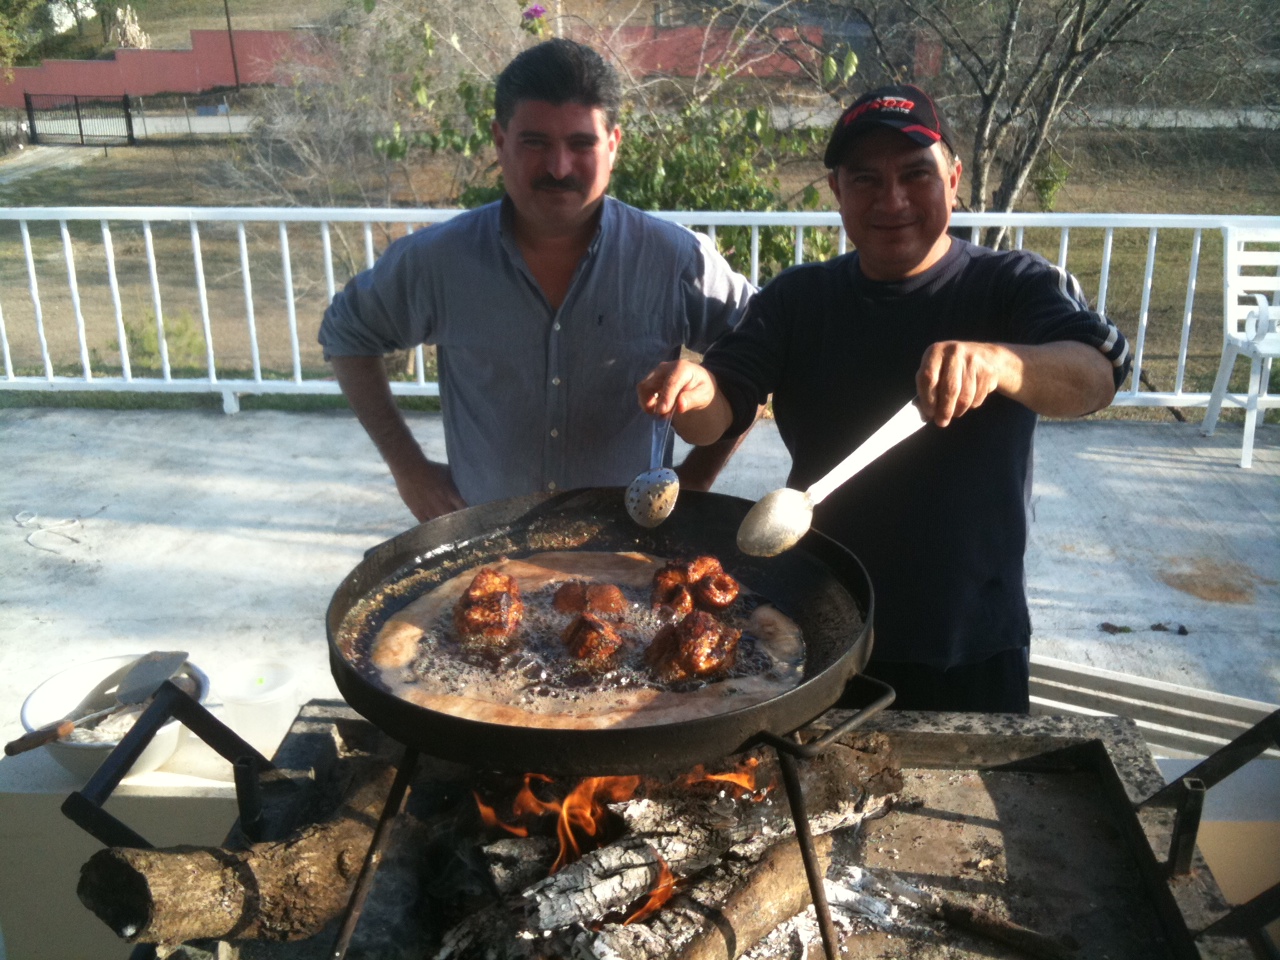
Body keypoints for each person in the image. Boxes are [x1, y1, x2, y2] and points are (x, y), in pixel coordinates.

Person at [638, 84, 1132, 713]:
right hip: (821, 626)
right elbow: (718, 414)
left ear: (953, 179)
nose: (892, 199)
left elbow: (1097, 372)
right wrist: (695, 389)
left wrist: (1004, 362)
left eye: (915, 175)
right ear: (837, 192)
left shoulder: (1011, 285)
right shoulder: (797, 299)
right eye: (866, 179)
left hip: (970, 636)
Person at [318, 39, 755, 522]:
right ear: (500, 141)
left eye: (581, 143)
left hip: (627, 551)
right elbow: (347, 334)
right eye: (535, 143)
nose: (558, 167)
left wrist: (699, 476)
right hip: (487, 550)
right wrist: (409, 469)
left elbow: (763, 350)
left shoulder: (675, 259)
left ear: (613, 145)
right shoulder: (439, 261)